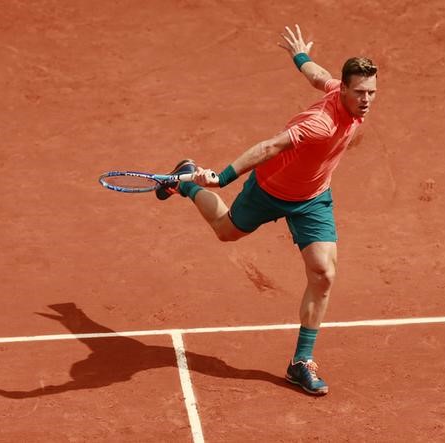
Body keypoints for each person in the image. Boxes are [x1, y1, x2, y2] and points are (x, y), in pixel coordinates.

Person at [156, 24, 377, 395]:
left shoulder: (343, 94)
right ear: (346, 89)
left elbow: (318, 76)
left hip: (312, 197)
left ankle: (300, 362)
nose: (367, 99)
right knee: (226, 231)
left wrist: (300, 55)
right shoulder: (319, 124)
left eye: (371, 92)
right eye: (359, 92)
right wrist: (222, 178)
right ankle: (187, 180)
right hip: (270, 188)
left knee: (323, 273)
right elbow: (269, 147)